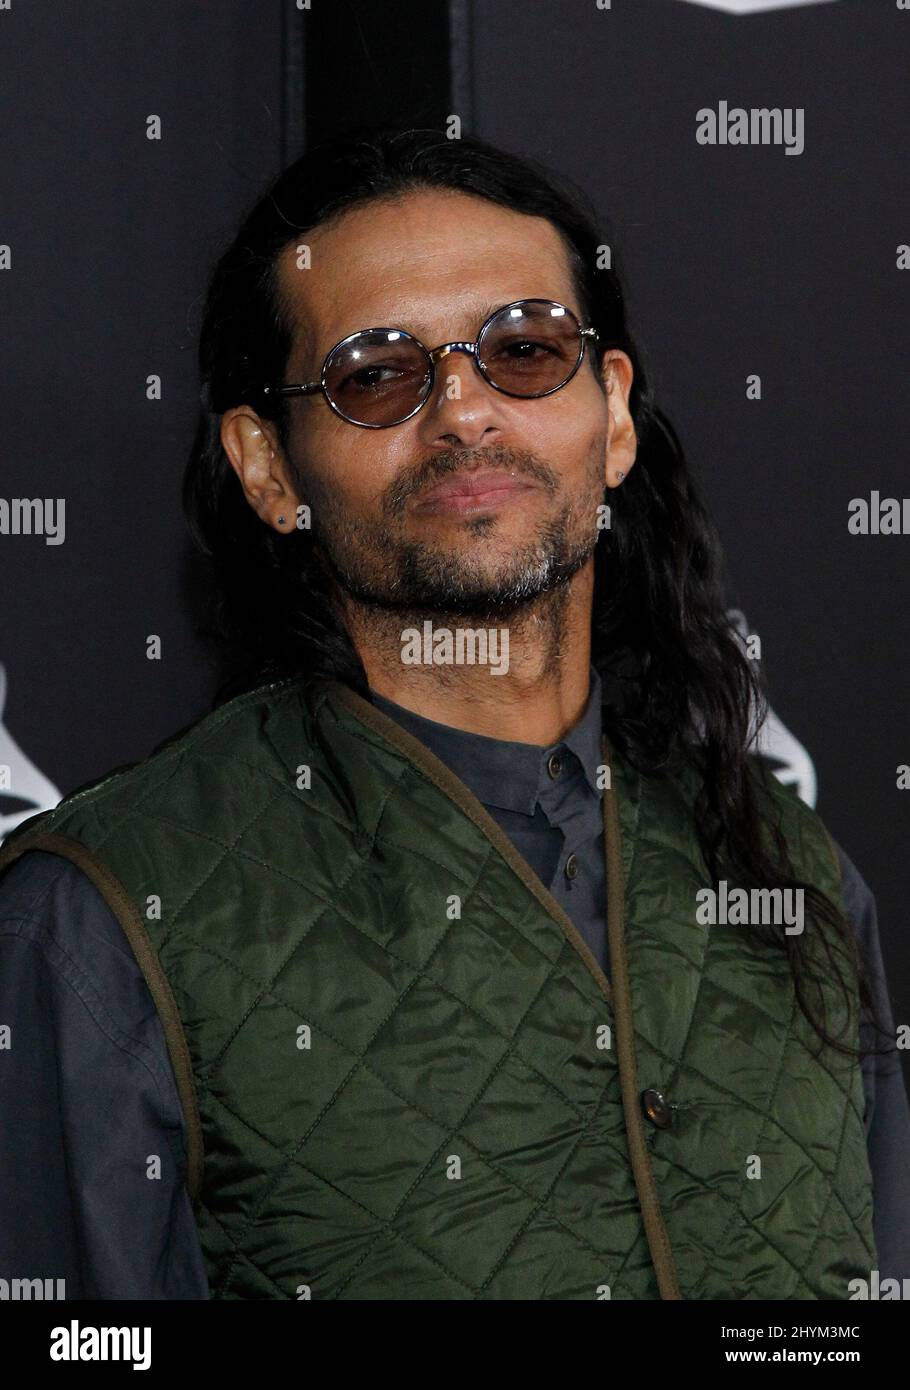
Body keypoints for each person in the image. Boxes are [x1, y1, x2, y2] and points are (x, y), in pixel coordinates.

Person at [1, 128, 908, 1301]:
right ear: (270, 468)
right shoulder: (100, 918)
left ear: (614, 414)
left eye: (523, 351)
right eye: (376, 374)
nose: (465, 412)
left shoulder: (792, 876)